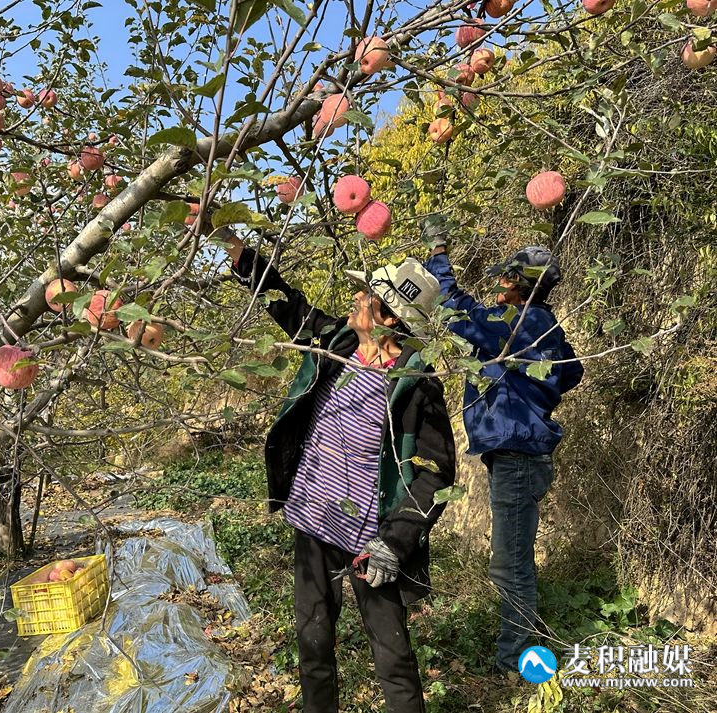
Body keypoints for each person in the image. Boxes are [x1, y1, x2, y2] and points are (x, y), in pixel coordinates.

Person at [223, 230, 457, 713]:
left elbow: (436, 472)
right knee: (313, 644)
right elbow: (288, 305)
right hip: (314, 524)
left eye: (367, 295)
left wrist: (395, 542)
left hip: (371, 542)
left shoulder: (416, 382)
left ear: (388, 318)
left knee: (393, 658)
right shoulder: (336, 343)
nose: (355, 297)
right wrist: (237, 250)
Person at [423, 239, 584, 673]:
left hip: (517, 457)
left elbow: (456, 311)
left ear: (520, 284)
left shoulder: (516, 321)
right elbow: (572, 371)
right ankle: (515, 649)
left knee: (511, 566)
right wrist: (532, 390)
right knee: (513, 561)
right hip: (520, 455)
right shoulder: (544, 325)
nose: (499, 284)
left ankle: (514, 660)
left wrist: (439, 253)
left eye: (506, 278)